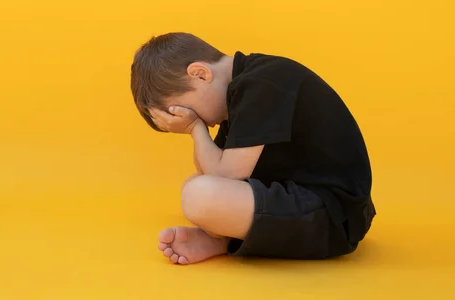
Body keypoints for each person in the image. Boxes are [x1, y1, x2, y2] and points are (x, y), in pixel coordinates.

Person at [130, 32, 376, 265]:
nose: (200, 120)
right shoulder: (239, 92)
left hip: (333, 217)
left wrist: (195, 128)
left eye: (185, 111)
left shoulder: (261, 83)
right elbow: (210, 172)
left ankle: (224, 237)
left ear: (200, 74)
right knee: (194, 186)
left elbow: (226, 176)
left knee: (199, 195)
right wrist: (195, 128)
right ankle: (223, 239)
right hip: (305, 203)